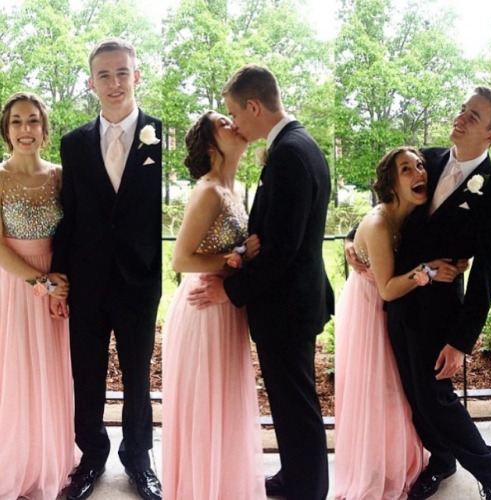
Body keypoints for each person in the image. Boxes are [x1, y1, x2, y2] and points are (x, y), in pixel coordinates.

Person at [346, 86, 491, 500]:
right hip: (395, 299)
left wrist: (460, 342)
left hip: (439, 312)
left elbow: (487, 272)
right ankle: (441, 460)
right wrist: (351, 239)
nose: (460, 117)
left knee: (436, 399)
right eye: (463, 109)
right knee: (413, 396)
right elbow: (387, 201)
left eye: (473, 116)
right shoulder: (427, 159)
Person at [188, 64, 334, 500]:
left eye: (235, 113)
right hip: (292, 300)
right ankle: (294, 476)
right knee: (289, 402)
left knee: (296, 404)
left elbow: (283, 249)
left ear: (253, 106)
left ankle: (308, 489)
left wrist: (229, 289)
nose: (235, 123)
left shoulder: (288, 153)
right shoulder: (298, 144)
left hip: (287, 305)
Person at [50, 38, 162, 500]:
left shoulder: (160, 134)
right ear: (91, 82)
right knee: (87, 374)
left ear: (136, 76)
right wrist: (58, 277)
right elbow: (68, 214)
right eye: (104, 75)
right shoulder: (73, 143)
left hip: (140, 280)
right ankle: (91, 457)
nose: (114, 83)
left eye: (122, 73)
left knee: (137, 377)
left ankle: (139, 460)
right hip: (87, 281)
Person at [335, 146, 463, 500]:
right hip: (370, 307)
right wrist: (428, 270)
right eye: (406, 169)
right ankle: (378, 467)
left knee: (399, 389)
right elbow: (388, 289)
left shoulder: (413, 211)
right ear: (391, 184)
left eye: (419, 165)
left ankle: (405, 458)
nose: (419, 172)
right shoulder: (379, 223)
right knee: (379, 388)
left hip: (396, 310)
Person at [161, 110, 265, 499]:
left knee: (225, 406)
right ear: (210, 146)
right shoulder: (208, 191)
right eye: (223, 123)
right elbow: (181, 259)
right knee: (205, 407)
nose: (234, 124)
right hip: (203, 308)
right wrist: (236, 256)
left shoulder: (231, 190)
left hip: (226, 308)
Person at [0, 91, 75, 499]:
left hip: (57, 284)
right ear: (6, 130)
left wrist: (60, 285)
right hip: (16, 286)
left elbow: (76, 232)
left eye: (32, 120)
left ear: (44, 129)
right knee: (16, 372)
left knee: (51, 371)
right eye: (16, 121)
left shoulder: (61, 176)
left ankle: (50, 457)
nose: (25, 129)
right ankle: (17, 461)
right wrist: (40, 283)